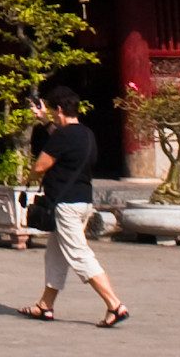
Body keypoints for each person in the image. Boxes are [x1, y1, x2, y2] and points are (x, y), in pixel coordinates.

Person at [23, 90, 127, 327]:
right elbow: (62, 139)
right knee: (56, 255)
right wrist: (44, 120)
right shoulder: (85, 134)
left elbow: (41, 165)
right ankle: (45, 306)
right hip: (82, 201)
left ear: (59, 109)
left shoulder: (63, 137)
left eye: (51, 110)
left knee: (79, 254)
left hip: (65, 205)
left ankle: (115, 305)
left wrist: (30, 176)